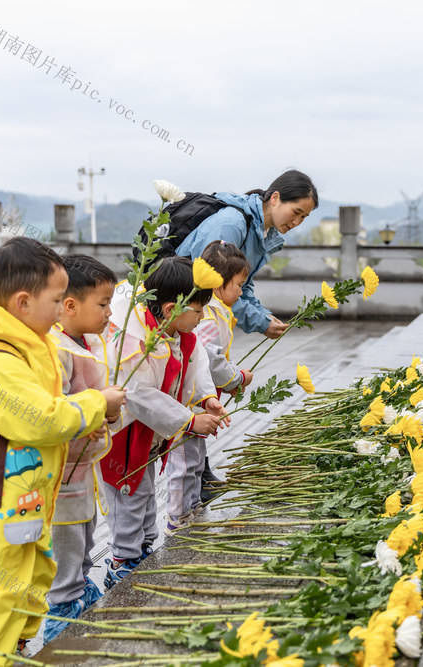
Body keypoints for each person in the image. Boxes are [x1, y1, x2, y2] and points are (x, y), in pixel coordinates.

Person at [0, 237, 125, 665]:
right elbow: (40, 418)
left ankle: (15, 650)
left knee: (27, 587)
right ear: (23, 302)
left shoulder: (24, 341)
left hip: (22, 503)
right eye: (56, 300)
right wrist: (97, 404)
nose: (61, 309)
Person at [100, 256, 229, 588]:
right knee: (128, 497)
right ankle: (122, 560)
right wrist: (189, 420)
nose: (202, 317)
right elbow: (139, 394)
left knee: (144, 494)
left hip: (150, 435)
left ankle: (142, 549)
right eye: (198, 310)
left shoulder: (179, 333)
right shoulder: (136, 340)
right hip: (127, 435)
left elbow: (196, 363)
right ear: (172, 309)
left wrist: (206, 397)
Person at [43, 254, 118, 643]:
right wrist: (94, 413)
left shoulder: (85, 342)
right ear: (69, 305)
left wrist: (108, 413)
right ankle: (62, 610)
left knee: (85, 534)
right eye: (103, 304)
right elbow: (55, 412)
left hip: (83, 467)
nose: (109, 313)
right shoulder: (55, 350)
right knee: (67, 542)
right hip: (63, 470)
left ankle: (79, 586)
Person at [175, 169, 318, 339]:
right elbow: (215, 288)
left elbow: (241, 285)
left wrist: (263, 315)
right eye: (296, 212)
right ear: (275, 198)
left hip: (199, 316)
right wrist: (261, 322)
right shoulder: (232, 224)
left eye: (304, 217)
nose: (297, 222)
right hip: (181, 312)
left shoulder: (262, 232)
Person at [176, 241, 253, 518]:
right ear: (219, 284)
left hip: (203, 396)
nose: (241, 291)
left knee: (195, 455)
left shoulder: (214, 310)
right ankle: (180, 512)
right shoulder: (207, 315)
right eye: (239, 284)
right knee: (186, 459)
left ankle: (192, 503)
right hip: (193, 399)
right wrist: (236, 378)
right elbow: (210, 358)